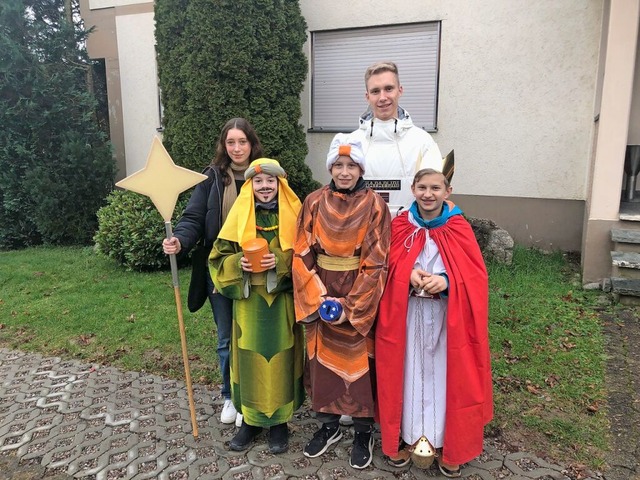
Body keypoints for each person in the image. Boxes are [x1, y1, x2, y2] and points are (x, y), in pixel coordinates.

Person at [375, 168, 493, 476]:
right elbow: (384, 265)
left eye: (436, 188)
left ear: (448, 191)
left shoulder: (459, 228)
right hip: (409, 314)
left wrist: (446, 281)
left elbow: (475, 276)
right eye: (423, 187)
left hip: (446, 317)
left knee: (446, 376)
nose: (429, 194)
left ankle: (446, 443)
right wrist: (407, 275)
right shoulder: (401, 225)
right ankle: (405, 437)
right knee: (408, 373)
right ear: (412, 189)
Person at [292, 133, 391, 469]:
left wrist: (351, 305)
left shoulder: (376, 205)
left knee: (362, 362)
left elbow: (377, 258)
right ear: (330, 167)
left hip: (357, 289)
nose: (344, 171)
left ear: (361, 169)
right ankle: (329, 425)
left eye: (351, 165)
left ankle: (364, 431)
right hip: (321, 286)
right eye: (338, 164)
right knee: (322, 362)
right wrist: (318, 296)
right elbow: (301, 248)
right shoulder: (314, 201)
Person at [162, 118, 264, 426]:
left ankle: (253, 396)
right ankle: (230, 396)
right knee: (226, 336)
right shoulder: (212, 178)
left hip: (256, 267)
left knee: (254, 335)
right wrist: (179, 238)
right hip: (219, 268)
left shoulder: (264, 176)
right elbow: (193, 216)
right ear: (224, 145)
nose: (236, 148)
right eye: (230, 142)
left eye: (242, 142)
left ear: (251, 144)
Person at [209, 158, 305, 454]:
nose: (265, 187)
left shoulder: (296, 216)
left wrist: (281, 262)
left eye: (270, 182)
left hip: (282, 304)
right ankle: (250, 422)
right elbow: (217, 258)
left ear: (280, 185)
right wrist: (240, 264)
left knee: (281, 359)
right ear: (250, 186)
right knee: (249, 360)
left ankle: (279, 424)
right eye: (259, 182)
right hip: (249, 303)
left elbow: (307, 255)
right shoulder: (239, 217)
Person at [351, 61, 444, 217]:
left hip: (410, 234)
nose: (383, 97)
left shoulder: (422, 141)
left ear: (400, 90)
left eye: (388, 89)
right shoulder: (352, 142)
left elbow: (434, 194)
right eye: (375, 91)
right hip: (364, 235)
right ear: (367, 96)